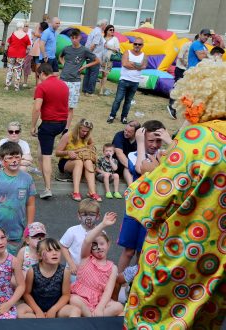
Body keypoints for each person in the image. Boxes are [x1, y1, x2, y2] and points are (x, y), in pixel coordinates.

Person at [125, 60, 226, 329]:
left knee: (155, 317)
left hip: (178, 254)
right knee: (204, 316)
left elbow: (148, 200)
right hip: (217, 261)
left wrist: (138, 186)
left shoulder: (197, 137)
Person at [117, 120, 169, 275]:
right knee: (129, 250)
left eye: (158, 140)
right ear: (142, 138)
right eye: (150, 140)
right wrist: (140, 143)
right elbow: (140, 169)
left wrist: (168, 141)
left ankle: (135, 284)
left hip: (153, 211)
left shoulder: (165, 156)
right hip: (135, 210)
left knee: (144, 251)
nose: (154, 145)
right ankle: (115, 284)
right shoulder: (133, 154)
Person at [0, 142, 36, 250]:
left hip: (17, 232)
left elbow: (30, 204)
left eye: (17, 157)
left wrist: (30, 226)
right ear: (1, 160)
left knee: (15, 262)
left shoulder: (27, 179)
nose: (14, 160)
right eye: (9, 158)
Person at [69, 212, 123, 317]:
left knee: (118, 307)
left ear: (108, 244)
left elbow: (108, 290)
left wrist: (100, 308)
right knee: (73, 299)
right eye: (95, 245)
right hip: (82, 299)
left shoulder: (113, 268)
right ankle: (92, 318)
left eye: (102, 244)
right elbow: (87, 240)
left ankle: (93, 316)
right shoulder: (86, 258)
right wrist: (103, 224)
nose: (98, 247)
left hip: (99, 300)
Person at [31, 63, 69, 199]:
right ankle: (43, 177)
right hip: (61, 123)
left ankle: (47, 188)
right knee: (41, 151)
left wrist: (33, 126)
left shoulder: (41, 87)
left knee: (46, 155)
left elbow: (36, 108)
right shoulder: (63, 85)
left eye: (37, 75)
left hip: (49, 124)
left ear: (41, 73)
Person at [18, 238, 80, 318]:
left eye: (57, 250)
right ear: (39, 255)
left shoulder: (65, 271)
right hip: (35, 307)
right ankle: (39, 320)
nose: (54, 253)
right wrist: (37, 311)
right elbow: (27, 293)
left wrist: (54, 310)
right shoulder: (32, 271)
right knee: (19, 311)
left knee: (76, 311)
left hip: (57, 308)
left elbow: (66, 295)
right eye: (49, 251)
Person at [59, 28, 99, 130]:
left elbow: (97, 60)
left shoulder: (84, 50)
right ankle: (59, 125)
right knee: (60, 105)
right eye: (72, 38)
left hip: (74, 81)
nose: (74, 40)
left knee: (70, 107)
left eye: (76, 38)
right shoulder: (67, 48)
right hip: (63, 79)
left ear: (80, 38)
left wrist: (84, 66)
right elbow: (60, 56)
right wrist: (64, 64)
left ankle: (66, 128)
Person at [54, 119, 100, 202]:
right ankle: (76, 192)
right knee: (78, 162)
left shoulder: (87, 136)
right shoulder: (68, 135)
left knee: (88, 161)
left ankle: (92, 192)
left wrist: (88, 148)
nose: (85, 133)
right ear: (78, 128)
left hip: (82, 161)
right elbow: (57, 153)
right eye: (83, 131)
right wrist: (68, 152)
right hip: (66, 161)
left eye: (87, 131)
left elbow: (92, 144)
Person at [107, 36, 148, 124]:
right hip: (124, 80)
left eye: (139, 44)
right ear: (133, 44)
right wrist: (137, 66)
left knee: (128, 101)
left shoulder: (144, 55)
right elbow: (125, 64)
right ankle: (112, 116)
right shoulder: (127, 52)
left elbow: (143, 66)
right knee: (118, 99)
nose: (137, 45)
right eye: (135, 44)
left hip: (135, 81)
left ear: (142, 45)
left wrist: (132, 63)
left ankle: (124, 117)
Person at [59, 198, 100, 273]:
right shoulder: (72, 231)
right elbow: (63, 246)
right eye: (84, 215)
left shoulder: (101, 233)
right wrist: (71, 264)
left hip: (93, 273)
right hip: (74, 271)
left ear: (97, 216)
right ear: (79, 216)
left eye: (92, 215)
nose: (88, 218)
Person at [166, 34, 195, 119]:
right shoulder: (187, 45)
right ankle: (171, 106)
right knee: (177, 87)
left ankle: (181, 108)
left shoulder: (199, 48)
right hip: (181, 69)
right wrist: (187, 65)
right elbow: (180, 57)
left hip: (189, 70)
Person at [81, 19, 106, 95]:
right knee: (93, 74)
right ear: (102, 25)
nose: (106, 26)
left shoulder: (93, 31)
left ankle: (85, 89)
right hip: (95, 56)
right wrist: (89, 54)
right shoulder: (98, 33)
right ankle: (90, 91)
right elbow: (93, 45)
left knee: (88, 73)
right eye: (106, 25)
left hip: (90, 55)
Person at [5, 21, 32, 91]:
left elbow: (8, 44)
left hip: (11, 53)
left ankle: (7, 85)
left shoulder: (13, 34)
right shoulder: (26, 36)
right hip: (21, 55)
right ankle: (16, 87)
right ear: (23, 27)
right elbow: (29, 47)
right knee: (18, 70)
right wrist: (26, 52)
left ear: (17, 26)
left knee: (10, 69)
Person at [99, 24, 119, 95]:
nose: (112, 31)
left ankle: (101, 89)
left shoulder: (115, 39)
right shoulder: (102, 37)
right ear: (106, 30)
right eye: (110, 30)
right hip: (100, 58)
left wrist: (109, 47)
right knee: (98, 73)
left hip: (108, 59)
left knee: (105, 74)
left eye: (113, 30)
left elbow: (117, 50)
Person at [25, 22, 42, 87]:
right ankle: (36, 84)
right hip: (35, 51)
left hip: (34, 51)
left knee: (35, 67)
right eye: (25, 26)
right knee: (36, 68)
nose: (26, 27)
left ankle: (37, 84)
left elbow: (35, 35)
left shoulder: (32, 31)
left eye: (27, 26)